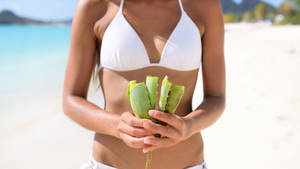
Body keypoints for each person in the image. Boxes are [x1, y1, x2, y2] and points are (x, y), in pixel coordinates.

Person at [62, 0, 225, 168]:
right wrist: (118, 126)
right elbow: (70, 100)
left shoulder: (204, 6)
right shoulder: (95, 6)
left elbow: (216, 97)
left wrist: (189, 126)